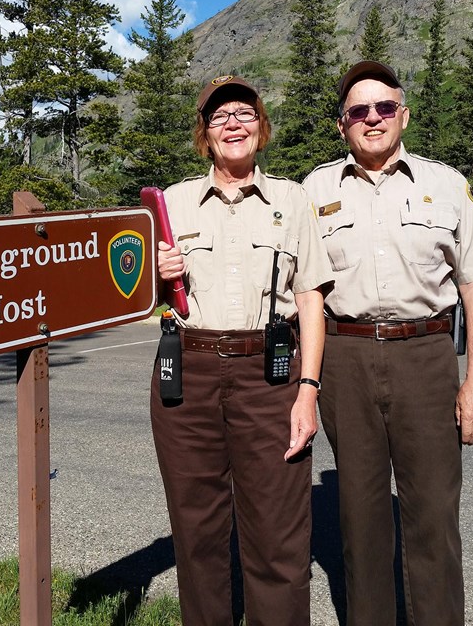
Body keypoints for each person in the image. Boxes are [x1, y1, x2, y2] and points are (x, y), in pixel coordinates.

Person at [302, 60, 473, 626]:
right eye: (357, 111)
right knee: (361, 525)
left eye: (384, 107)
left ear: (403, 114)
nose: (372, 118)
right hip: (347, 358)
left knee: (433, 518)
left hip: (426, 356)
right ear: (342, 125)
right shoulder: (314, 190)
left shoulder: (446, 185)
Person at [150, 75, 333, 626]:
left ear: (261, 125)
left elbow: (310, 300)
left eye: (244, 112)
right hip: (188, 372)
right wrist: (155, 281)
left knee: (278, 534)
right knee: (198, 534)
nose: (233, 122)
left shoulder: (294, 200)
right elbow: (131, 295)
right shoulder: (169, 204)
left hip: (270, 374)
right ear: (205, 133)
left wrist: (308, 392)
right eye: (219, 115)